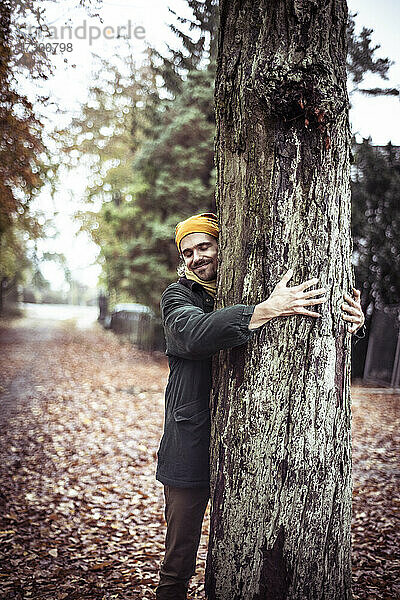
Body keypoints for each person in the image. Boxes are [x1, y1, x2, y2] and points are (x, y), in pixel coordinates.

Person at [155, 212, 365, 600]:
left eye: (204, 245)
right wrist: (265, 310)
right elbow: (193, 334)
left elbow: (323, 325)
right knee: (178, 561)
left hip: (249, 447)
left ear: (222, 243)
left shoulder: (246, 280)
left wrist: (350, 321)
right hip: (190, 442)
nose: (197, 257)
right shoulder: (178, 296)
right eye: (188, 252)